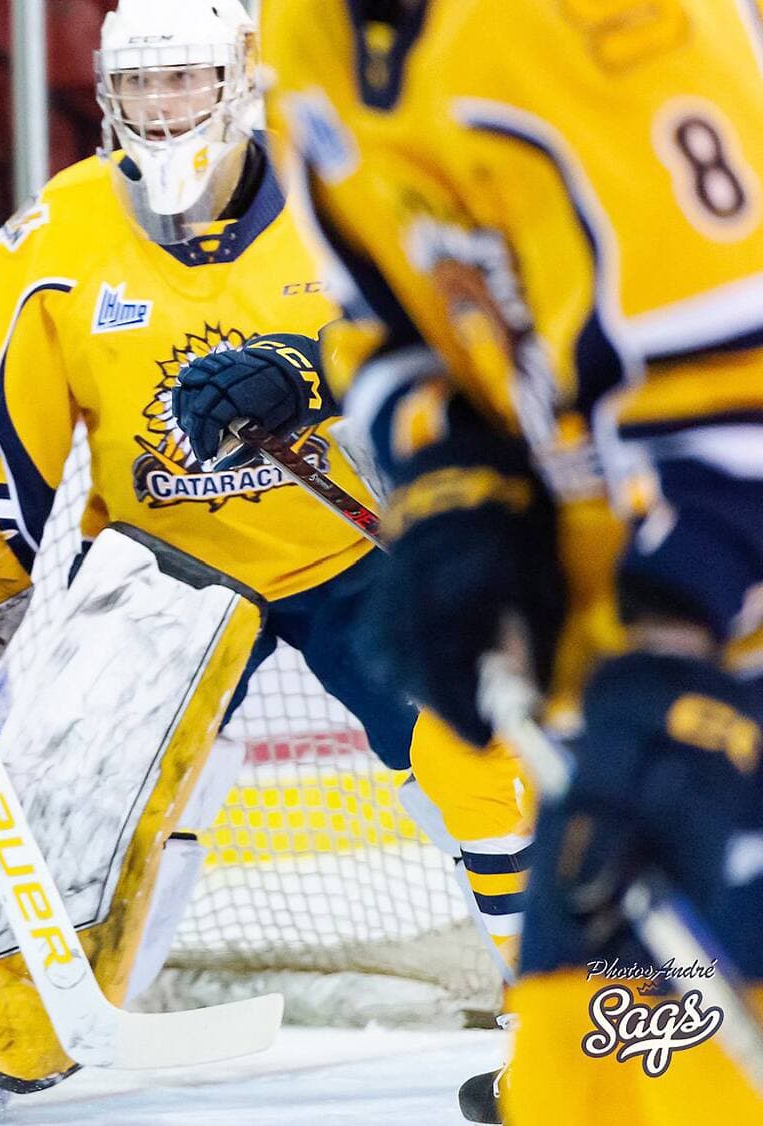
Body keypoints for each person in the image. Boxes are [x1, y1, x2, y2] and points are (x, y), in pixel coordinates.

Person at [0, 0, 528, 1099]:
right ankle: (15, 1016)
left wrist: (312, 366)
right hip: (160, 567)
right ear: (107, 92)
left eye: (184, 78)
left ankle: (570, 1016)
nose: (162, 106)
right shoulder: (53, 237)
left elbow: (458, 336)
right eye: (139, 83)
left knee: (480, 759)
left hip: (352, 552)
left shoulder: (342, 194)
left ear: (239, 78)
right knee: (81, 793)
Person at [254, 1, 763, 1122]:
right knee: (596, 1074)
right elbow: (387, 323)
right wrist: (455, 492)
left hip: (714, 609)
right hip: (619, 629)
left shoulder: (621, 29)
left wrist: (671, 646)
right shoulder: (301, 37)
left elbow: (737, 375)